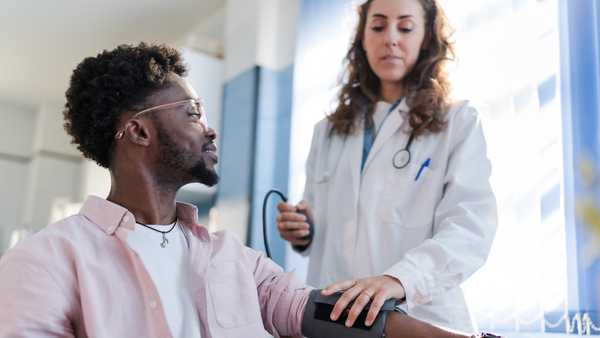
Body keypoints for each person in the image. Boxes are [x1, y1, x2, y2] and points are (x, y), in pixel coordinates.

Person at [0, 43, 501, 338]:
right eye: (193, 113)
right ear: (138, 132)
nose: (211, 129)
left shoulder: (232, 259)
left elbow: (332, 314)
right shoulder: (46, 259)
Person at [277, 0, 497, 332]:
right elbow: (323, 227)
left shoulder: (458, 121)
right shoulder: (327, 133)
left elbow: (470, 228)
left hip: (420, 319)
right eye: (378, 27)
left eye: (405, 27)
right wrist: (303, 232)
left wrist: (399, 279)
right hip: (338, 320)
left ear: (426, 39)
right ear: (362, 39)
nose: (390, 39)